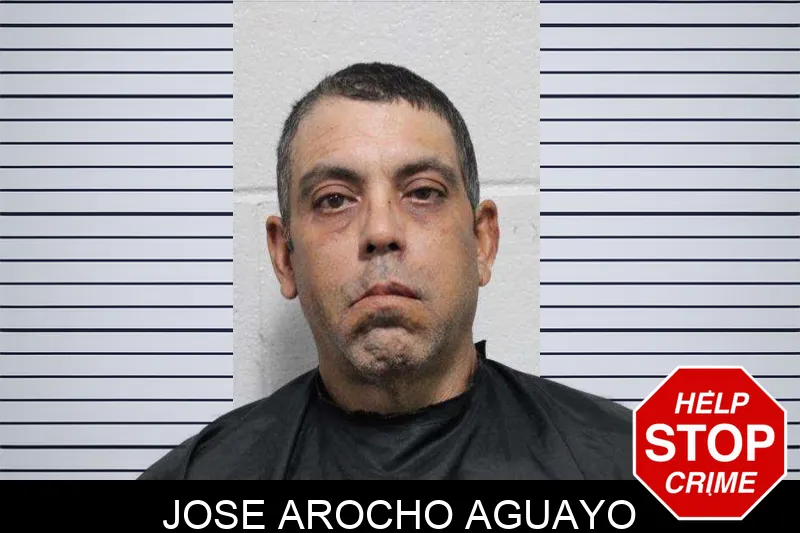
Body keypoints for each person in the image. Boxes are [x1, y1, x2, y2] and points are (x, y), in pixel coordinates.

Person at [138, 62, 633, 480]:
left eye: (423, 192)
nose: (380, 230)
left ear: (482, 242)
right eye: (334, 200)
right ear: (284, 257)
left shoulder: (627, 464)